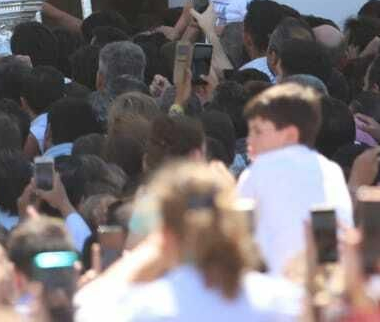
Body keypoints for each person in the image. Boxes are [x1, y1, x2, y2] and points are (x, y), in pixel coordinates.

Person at [75, 162, 301, 320]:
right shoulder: (287, 302)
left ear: (163, 233)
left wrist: (148, 252)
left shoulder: (141, 308)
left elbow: (84, 309)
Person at [235, 82, 353, 273]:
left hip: (271, 286)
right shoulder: (332, 170)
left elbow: (238, 235)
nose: (249, 140)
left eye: (257, 131)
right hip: (323, 283)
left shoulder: (258, 170)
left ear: (290, 135)